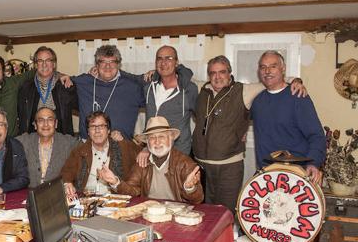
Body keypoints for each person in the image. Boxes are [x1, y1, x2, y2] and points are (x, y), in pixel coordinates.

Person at [191, 55, 308, 212]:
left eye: (222, 72)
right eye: (212, 73)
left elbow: (273, 81)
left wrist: (297, 81)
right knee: (202, 212)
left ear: (229, 73)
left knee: (225, 213)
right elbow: (178, 77)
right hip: (201, 165)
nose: (217, 77)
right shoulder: (201, 89)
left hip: (228, 166)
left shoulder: (244, 90)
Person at [251, 50, 326, 183]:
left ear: (283, 68)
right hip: (266, 176)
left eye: (273, 66)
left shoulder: (298, 96)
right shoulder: (257, 102)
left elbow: (316, 135)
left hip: (296, 175)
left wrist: (314, 163)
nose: (267, 71)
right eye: (263, 67)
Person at [99, 117, 203, 204]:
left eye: (161, 136)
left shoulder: (185, 163)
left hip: (176, 215)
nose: (157, 142)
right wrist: (116, 182)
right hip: (148, 213)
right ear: (147, 143)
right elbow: (132, 191)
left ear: (170, 139)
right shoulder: (142, 162)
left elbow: (198, 199)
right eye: (152, 138)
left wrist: (189, 188)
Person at [71, 45, 145, 139]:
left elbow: (155, 102)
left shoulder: (133, 87)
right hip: (87, 148)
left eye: (112, 62)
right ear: (97, 65)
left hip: (121, 147)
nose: (107, 66)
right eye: (103, 62)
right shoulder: (83, 82)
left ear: (118, 64)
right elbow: (59, 81)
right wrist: (60, 75)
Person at [60, 111, 140, 198]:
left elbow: (143, 151)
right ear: (88, 132)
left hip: (115, 203)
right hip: (87, 201)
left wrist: (146, 150)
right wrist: (67, 183)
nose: (97, 131)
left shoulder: (123, 147)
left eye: (101, 126)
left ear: (108, 130)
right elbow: (66, 173)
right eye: (93, 127)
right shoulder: (79, 151)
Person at [140, 46, 198, 155]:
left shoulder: (189, 89)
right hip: (153, 150)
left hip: (179, 153)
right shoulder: (148, 87)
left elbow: (201, 118)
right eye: (159, 59)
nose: (163, 62)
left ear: (176, 63)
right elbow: (128, 78)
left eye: (168, 58)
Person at [17, 46, 78, 135]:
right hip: (33, 140)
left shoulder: (65, 85)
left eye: (48, 60)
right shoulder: (26, 87)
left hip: (61, 140)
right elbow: (21, 116)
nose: (44, 64)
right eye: (40, 61)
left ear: (54, 64)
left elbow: (80, 106)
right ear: (36, 64)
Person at [16, 107, 80, 188]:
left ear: (56, 124)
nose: (45, 124)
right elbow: (5, 143)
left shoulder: (69, 143)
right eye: (41, 120)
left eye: (50, 120)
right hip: (30, 195)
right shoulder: (24, 141)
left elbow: (86, 152)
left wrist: (68, 180)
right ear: (35, 125)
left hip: (58, 196)